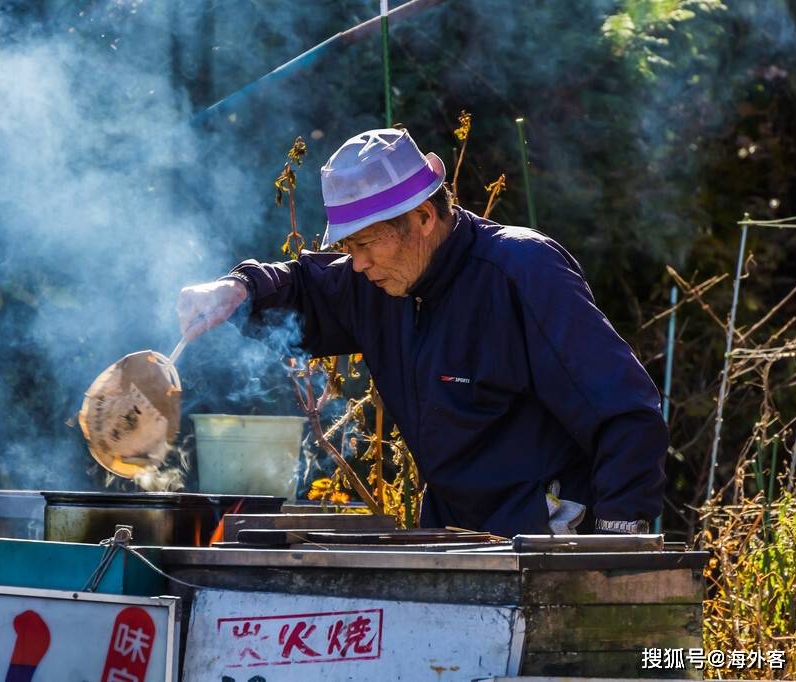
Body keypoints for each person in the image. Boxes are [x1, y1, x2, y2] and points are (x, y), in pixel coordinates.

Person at [177, 128, 667, 537]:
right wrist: (236, 289)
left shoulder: (522, 271)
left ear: (424, 217)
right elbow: (303, 287)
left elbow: (626, 411)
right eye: (347, 246)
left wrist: (615, 540)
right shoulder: (374, 279)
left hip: (548, 537)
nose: (357, 262)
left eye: (366, 242)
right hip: (453, 538)